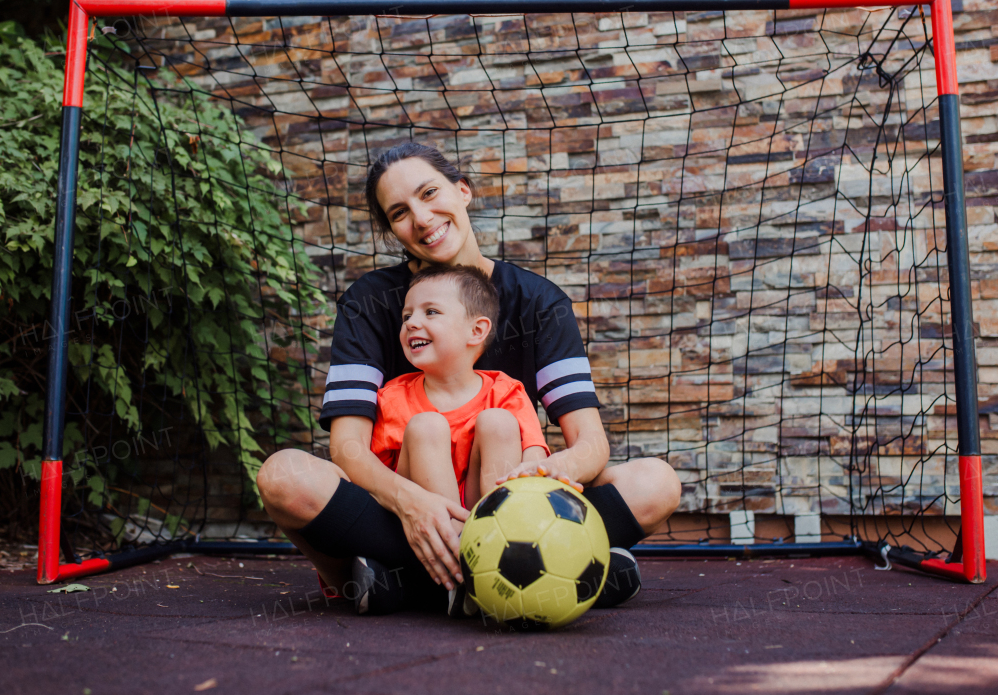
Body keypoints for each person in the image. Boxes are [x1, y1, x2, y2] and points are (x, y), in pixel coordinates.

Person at [256, 143, 682, 615]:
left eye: (429, 192)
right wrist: (412, 503)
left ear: (463, 191)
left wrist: (540, 475)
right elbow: (349, 449)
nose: (420, 218)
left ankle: (403, 584)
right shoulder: (370, 303)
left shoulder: (540, 303)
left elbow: (590, 446)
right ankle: (542, 573)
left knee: (655, 483)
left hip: (504, 500)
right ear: (392, 230)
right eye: (399, 212)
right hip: (403, 509)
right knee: (283, 477)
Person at [373, 263, 550, 515]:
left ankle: (499, 528)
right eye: (407, 316)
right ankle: (451, 539)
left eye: (431, 312)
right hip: (420, 520)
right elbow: (378, 481)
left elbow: (534, 455)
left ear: (477, 331)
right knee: (426, 426)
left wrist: (537, 479)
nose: (412, 323)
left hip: (485, 509)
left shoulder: (506, 391)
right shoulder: (392, 397)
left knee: (498, 422)